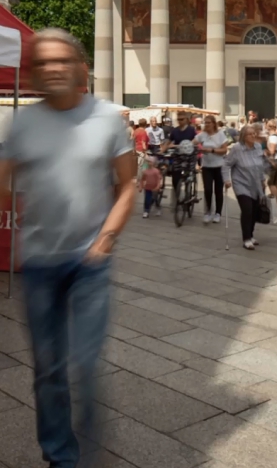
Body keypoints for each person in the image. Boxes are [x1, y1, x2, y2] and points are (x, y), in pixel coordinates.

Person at [0, 28, 135, 468]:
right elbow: (4, 179)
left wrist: (106, 239)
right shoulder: (24, 121)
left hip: (89, 262)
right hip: (38, 262)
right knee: (49, 369)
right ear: (33, 71)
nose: (52, 68)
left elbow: (128, 184)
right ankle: (62, 456)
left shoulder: (107, 119)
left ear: (82, 68)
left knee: (83, 362)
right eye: (42, 63)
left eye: (61, 60)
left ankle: (90, 441)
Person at [223, 124, 269, 249]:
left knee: (254, 211)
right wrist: (227, 179)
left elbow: (260, 164)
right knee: (247, 210)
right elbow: (226, 164)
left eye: (254, 133)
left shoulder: (258, 147)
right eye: (250, 134)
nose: (253, 136)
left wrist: (263, 178)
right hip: (241, 184)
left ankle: (251, 235)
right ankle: (246, 238)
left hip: (256, 184)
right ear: (244, 136)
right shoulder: (237, 149)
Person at [194, 115, 229, 224]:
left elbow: (224, 150)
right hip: (207, 166)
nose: (207, 124)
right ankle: (208, 212)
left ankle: (218, 213)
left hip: (219, 166)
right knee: (208, 190)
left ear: (214, 123)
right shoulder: (202, 135)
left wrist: (211, 150)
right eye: (205, 122)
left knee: (218, 191)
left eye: (209, 122)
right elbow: (193, 142)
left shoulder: (220, 134)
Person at [162, 113, 197, 206]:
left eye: (182, 119)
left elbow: (196, 140)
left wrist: (191, 144)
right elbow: (169, 142)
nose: (180, 121)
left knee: (189, 175)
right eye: (179, 119)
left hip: (189, 155)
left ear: (186, 119)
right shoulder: (175, 130)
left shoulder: (191, 130)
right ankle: (178, 196)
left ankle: (189, 193)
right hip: (178, 155)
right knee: (175, 177)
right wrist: (162, 151)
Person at [265, 118, 277, 204]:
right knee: (274, 183)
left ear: (268, 127)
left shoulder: (272, 138)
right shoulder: (276, 137)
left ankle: (275, 204)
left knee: (271, 183)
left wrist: (265, 152)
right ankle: (276, 203)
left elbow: (272, 151)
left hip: (274, 161)